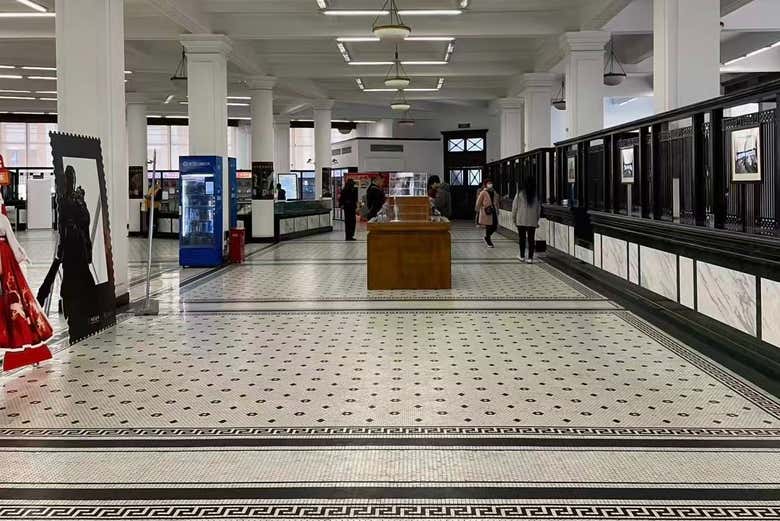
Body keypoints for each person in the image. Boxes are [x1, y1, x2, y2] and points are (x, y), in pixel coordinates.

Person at [0, 193, 53, 371]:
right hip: (5, 261)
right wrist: (23, 257)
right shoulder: (2, 220)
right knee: (16, 297)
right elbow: (13, 244)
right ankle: (25, 337)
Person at [512, 174, 542, 263]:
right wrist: (536, 220)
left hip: (520, 220)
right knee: (531, 239)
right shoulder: (535, 195)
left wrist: (514, 219)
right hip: (532, 221)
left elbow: (514, 208)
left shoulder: (519, 194)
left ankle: (521, 256)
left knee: (522, 239)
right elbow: (538, 209)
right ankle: (530, 258)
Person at [475, 179, 500, 247]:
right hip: (486, 211)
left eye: (491, 183)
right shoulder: (483, 192)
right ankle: (489, 241)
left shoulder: (494, 192)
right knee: (488, 226)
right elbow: (478, 202)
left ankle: (486, 237)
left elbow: (496, 201)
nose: (490, 184)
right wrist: (478, 209)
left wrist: (497, 209)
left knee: (495, 226)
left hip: (493, 210)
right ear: (485, 184)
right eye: (488, 183)